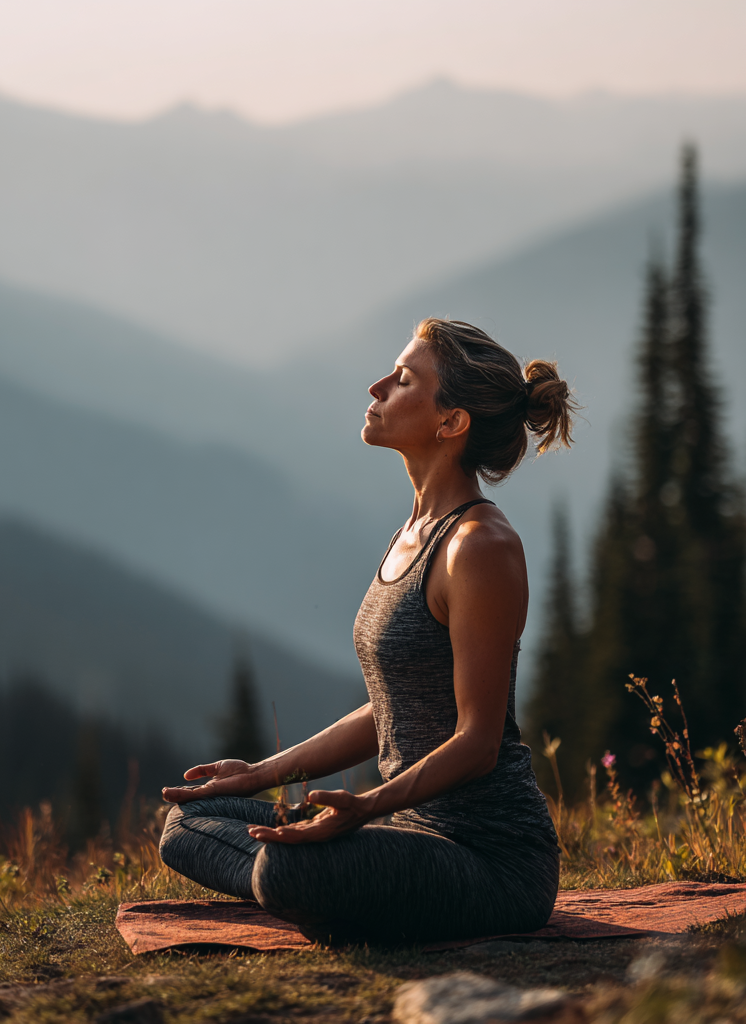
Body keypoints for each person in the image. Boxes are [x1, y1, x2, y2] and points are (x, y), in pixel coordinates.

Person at [159, 318, 577, 944]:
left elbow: (479, 742)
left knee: (287, 865)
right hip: (409, 832)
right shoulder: (414, 532)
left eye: (404, 379)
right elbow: (390, 707)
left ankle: (316, 879)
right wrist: (261, 774)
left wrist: (368, 808)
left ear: (451, 422)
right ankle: (328, 879)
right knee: (190, 821)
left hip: (490, 859)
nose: (377, 385)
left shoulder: (479, 547)